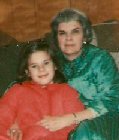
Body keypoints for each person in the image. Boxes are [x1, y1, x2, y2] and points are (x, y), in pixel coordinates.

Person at [39, 8, 119, 140]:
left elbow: (113, 99)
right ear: (56, 37)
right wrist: (16, 121)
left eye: (75, 32)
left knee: (85, 132)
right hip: (62, 120)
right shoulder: (51, 60)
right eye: (62, 33)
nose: (69, 38)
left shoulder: (100, 58)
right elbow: (25, 85)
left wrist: (71, 118)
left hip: (105, 118)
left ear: (85, 35)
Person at [0, 39, 84, 140]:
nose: (41, 69)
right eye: (34, 66)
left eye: (46, 63)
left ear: (55, 65)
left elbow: (77, 127)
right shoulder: (17, 91)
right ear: (27, 72)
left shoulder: (67, 91)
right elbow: (2, 118)